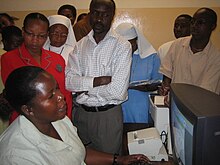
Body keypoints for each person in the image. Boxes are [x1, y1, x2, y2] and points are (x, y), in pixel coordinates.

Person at [0, 66, 150, 165]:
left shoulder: (59, 119)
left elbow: (77, 153)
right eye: (50, 96)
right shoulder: (17, 155)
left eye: (57, 89)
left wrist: (119, 159)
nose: (61, 97)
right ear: (28, 109)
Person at [66, 0, 132, 155]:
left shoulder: (122, 46)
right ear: (89, 13)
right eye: (95, 13)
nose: (99, 18)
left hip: (107, 117)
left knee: (110, 159)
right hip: (80, 115)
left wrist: (84, 90)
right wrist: (97, 81)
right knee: (80, 158)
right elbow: (69, 82)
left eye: (105, 14)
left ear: (112, 16)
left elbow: (117, 92)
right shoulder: (80, 45)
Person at [1, 12, 72, 123]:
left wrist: (66, 120)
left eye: (41, 36)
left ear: (47, 35)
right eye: (30, 34)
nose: (35, 40)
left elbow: (65, 93)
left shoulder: (57, 59)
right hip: (26, 120)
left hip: (57, 119)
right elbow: (15, 96)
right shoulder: (9, 58)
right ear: (23, 32)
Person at [159, 8, 220, 100]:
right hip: (174, 106)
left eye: (200, 23)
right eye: (193, 22)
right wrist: (166, 91)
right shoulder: (177, 45)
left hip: (199, 109)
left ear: (212, 26)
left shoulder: (216, 57)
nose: (194, 26)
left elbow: (206, 92)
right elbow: (167, 74)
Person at [115, 23, 162, 123]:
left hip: (140, 108)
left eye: (130, 43)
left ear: (137, 40)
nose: (126, 48)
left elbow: (158, 83)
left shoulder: (151, 57)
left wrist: (132, 86)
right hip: (117, 109)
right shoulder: (114, 57)